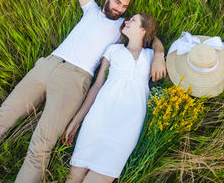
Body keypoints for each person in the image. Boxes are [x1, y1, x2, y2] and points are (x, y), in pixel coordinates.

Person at [0, 0, 166, 183]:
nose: (119, 9)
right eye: (117, 2)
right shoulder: (92, 11)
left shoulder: (122, 27)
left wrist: (159, 55)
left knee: (41, 146)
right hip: (47, 65)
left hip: (75, 80)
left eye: (125, 6)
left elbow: (150, 37)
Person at [62, 12, 157, 183]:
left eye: (133, 20)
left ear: (143, 30)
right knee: (74, 175)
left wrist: (160, 55)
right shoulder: (113, 50)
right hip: (99, 118)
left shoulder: (151, 56)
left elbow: (157, 43)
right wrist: (76, 121)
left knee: (101, 177)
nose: (127, 21)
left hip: (127, 127)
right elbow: (97, 86)